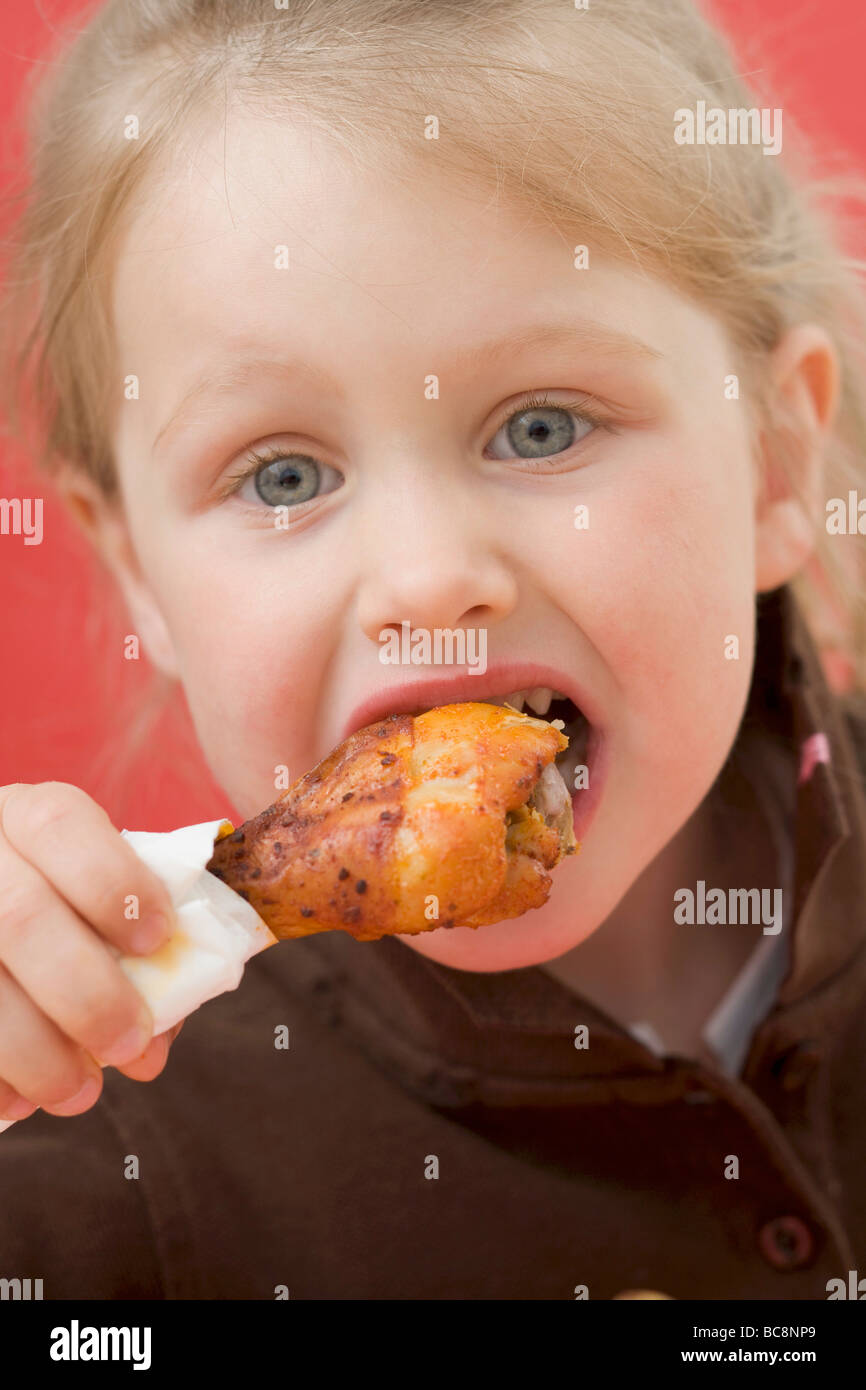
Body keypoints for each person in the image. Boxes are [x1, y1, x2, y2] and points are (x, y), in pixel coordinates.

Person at [0, 0, 864, 1299]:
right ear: (139, 574)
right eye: (282, 470)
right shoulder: (81, 1160)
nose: (424, 577)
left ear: (772, 464)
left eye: (540, 428)